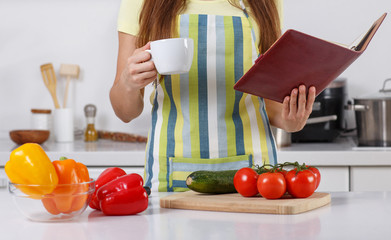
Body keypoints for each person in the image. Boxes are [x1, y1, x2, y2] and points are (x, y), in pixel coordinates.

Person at [110, 0, 316, 192]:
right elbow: (125, 112)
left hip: (254, 176)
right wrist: (128, 83)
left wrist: (292, 122)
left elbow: (270, 103)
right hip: (170, 174)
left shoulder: (265, 2)